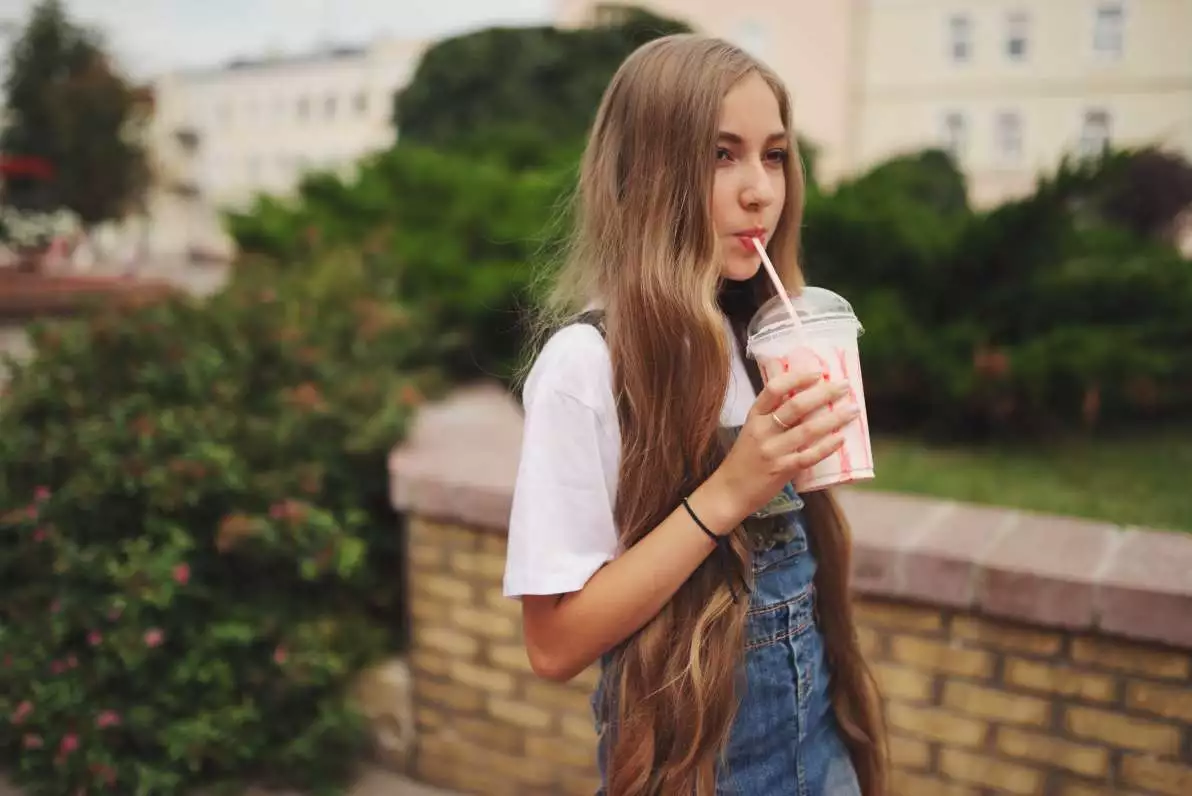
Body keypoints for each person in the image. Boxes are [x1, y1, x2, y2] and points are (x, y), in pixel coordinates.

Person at [504, 34, 887, 796]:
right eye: (722, 155)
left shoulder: (763, 340)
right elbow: (553, 644)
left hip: (821, 761)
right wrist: (727, 493)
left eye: (774, 155)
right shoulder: (588, 367)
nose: (760, 191)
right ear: (646, 173)